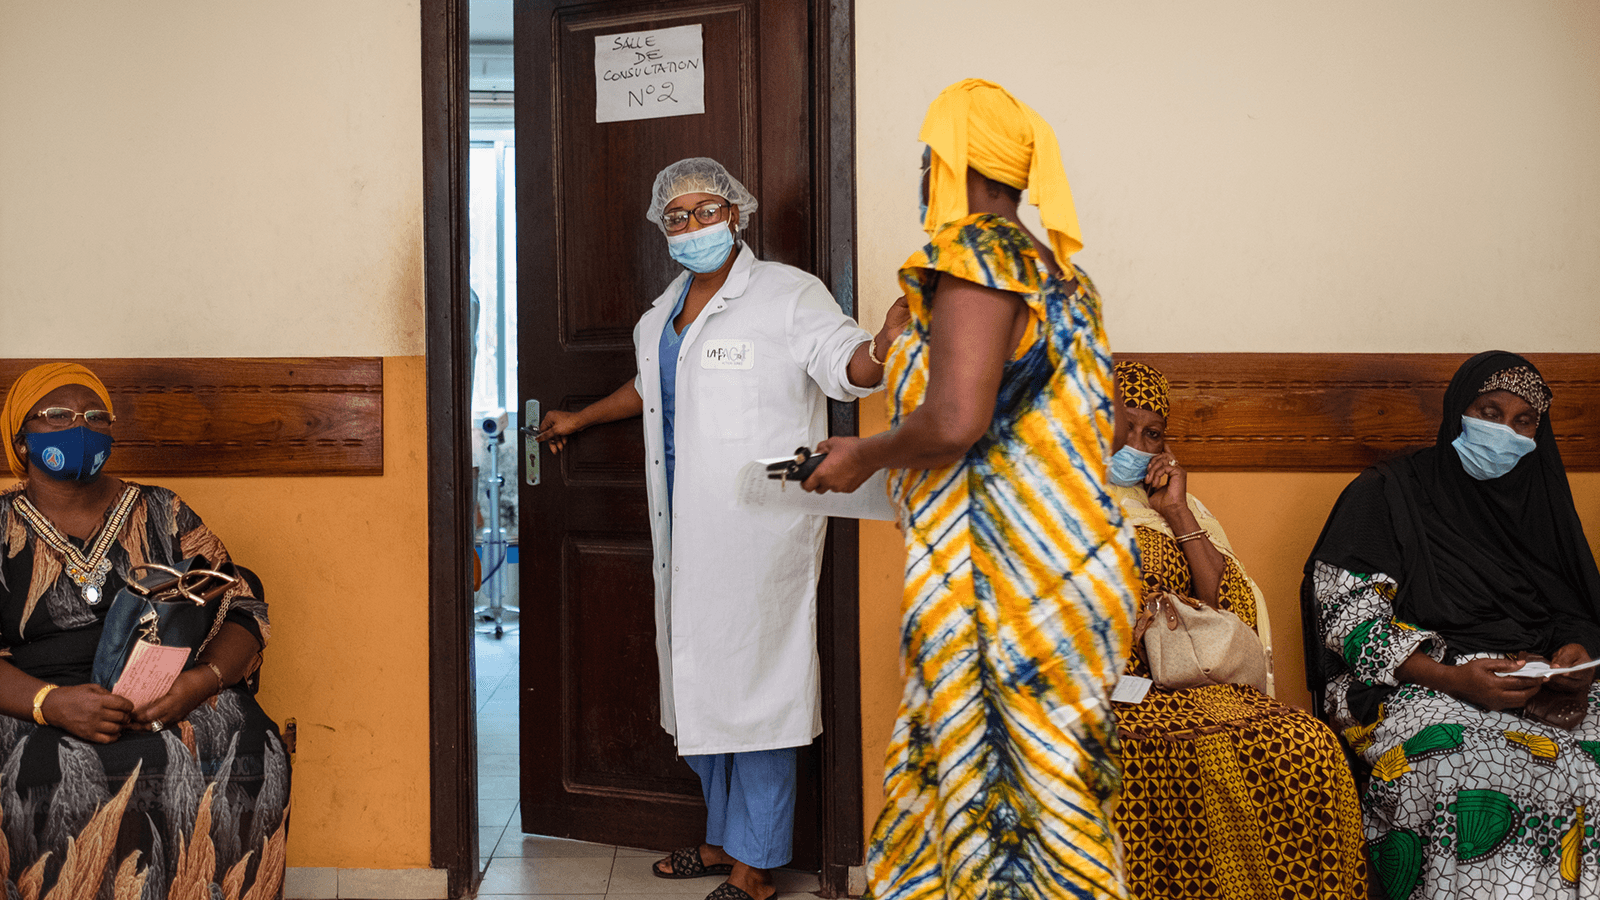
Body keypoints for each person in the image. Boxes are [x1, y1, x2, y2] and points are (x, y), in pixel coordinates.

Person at [800, 80, 1141, 900]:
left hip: (1010, 588)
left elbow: (955, 419)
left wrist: (865, 454)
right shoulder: (1061, 276)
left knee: (1010, 822)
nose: (922, 173)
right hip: (1049, 573)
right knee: (996, 802)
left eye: (930, 157)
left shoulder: (979, 255)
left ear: (955, 163)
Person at [536, 158, 905, 900]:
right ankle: (718, 836)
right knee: (698, 679)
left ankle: (755, 866)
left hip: (758, 531)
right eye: (677, 216)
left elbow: (845, 367)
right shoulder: (662, 311)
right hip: (684, 524)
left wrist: (886, 341)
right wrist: (579, 417)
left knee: (760, 686)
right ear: (662, 229)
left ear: (737, 213)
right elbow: (650, 384)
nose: (692, 226)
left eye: (706, 210)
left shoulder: (786, 294)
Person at [1305, 351, 1600, 899]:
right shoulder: (1388, 492)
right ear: (1457, 410)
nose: (1504, 432)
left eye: (1523, 421)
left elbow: (1575, 606)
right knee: (1472, 771)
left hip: (1533, 677)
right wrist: (1454, 678)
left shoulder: (1541, 499)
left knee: (1584, 763)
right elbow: (1347, 614)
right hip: (1413, 676)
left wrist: (1575, 656)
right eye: (1489, 412)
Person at [0, 363, 289, 899]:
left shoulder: (162, 510)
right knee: (39, 770)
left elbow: (243, 603)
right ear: (21, 440)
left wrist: (199, 684)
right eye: (57, 415)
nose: (80, 426)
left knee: (249, 739)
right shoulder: (1, 527)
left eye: (95, 416)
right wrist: (50, 703)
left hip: (171, 693)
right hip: (33, 700)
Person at [1105, 360, 1367, 899]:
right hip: (1098, 688)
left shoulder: (1179, 508)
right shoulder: (1053, 496)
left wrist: (1176, 513)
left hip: (1187, 682)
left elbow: (1231, 615)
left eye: (1151, 433)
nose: (1135, 443)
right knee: (1133, 756)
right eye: (1124, 425)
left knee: (1305, 744)